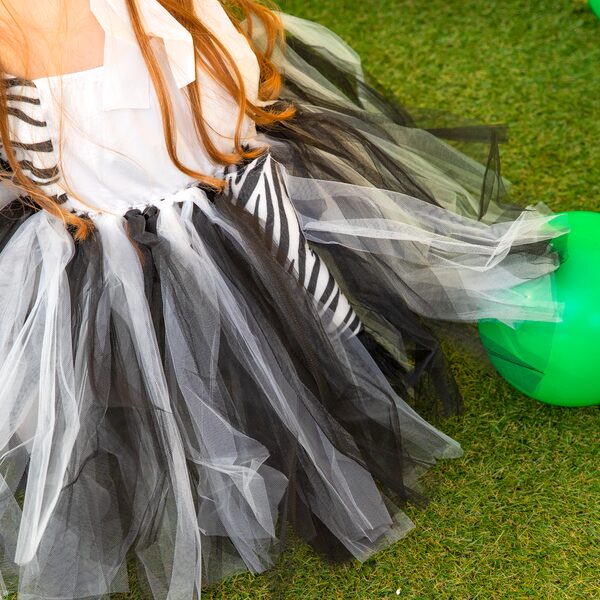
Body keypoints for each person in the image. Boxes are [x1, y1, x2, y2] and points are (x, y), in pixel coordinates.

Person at [0, 1, 566, 598]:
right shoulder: (163, 21)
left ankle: (135, 423)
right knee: (244, 328)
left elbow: (30, 172)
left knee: (119, 361)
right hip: (204, 212)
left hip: (99, 238)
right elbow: (238, 138)